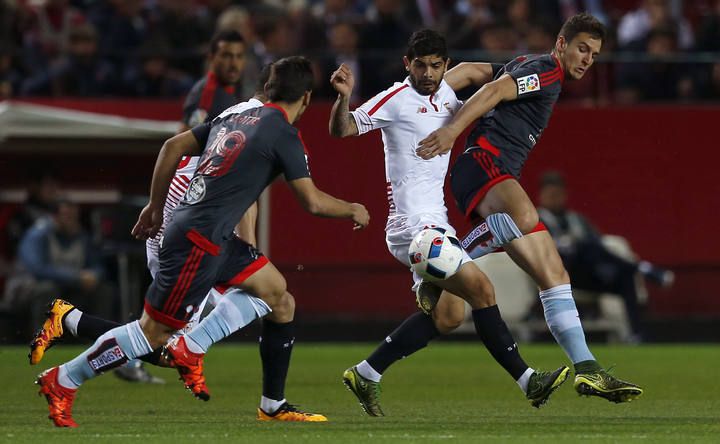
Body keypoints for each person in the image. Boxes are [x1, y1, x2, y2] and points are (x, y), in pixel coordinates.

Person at [34, 56, 370, 428]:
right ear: (307, 98)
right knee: (152, 335)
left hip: (208, 234)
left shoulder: (233, 116)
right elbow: (312, 201)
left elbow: (171, 148)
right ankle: (63, 379)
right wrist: (352, 208)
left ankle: (271, 404)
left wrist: (154, 207)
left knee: (277, 295)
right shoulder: (284, 134)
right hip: (197, 242)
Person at [329, 29, 568, 417]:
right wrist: (342, 98)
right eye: (419, 65)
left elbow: (477, 70)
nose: (427, 73)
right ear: (407, 64)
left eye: (435, 66)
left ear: (445, 65)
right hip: (411, 230)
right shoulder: (395, 99)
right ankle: (529, 380)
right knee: (483, 290)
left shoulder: (447, 91)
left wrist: (529, 67)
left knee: (449, 316)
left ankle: (366, 372)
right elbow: (343, 129)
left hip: (437, 226)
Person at [416, 13, 643, 403]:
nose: (588, 59)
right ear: (561, 44)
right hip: (485, 163)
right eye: (582, 49)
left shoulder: (527, 64)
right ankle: (443, 264)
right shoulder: (547, 71)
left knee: (554, 273)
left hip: (490, 171)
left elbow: (471, 70)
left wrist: (417, 99)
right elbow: (492, 93)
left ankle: (588, 370)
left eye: (594, 54)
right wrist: (450, 129)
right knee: (523, 217)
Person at [536, 171, 673, 341]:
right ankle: (643, 268)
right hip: (561, 276)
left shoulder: (576, 219)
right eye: (550, 195)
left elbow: (599, 245)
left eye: (558, 195)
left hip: (589, 274)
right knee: (583, 246)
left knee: (625, 275)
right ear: (541, 196)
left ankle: (636, 334)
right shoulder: (536, 220)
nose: (554, 199)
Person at [9, 199, 116, 330]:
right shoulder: (38, 234)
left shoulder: (82, 237)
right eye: (67, 216)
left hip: (69, 288)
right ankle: (41, 338)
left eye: (74, 216)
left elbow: (98, 265)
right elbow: (38, 269)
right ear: (55, 217)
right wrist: (76, 278)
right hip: (27, 288)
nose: (72, 220)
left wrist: (94, 275)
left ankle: (99, 337)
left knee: (103, 289)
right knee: (47, 289)